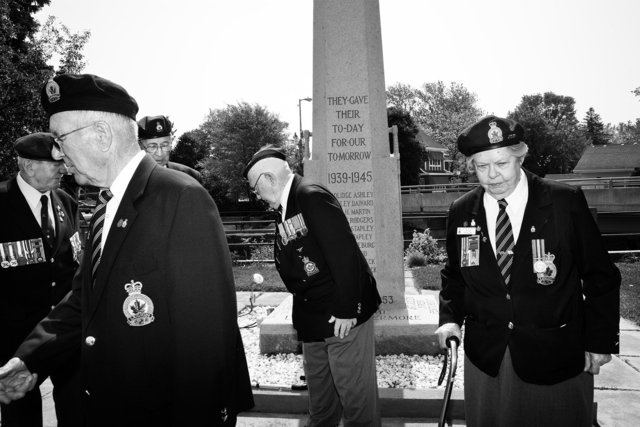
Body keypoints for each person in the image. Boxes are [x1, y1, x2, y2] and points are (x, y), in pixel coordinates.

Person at [0, 74, 253, 426]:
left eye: (60, 139)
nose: (58, 153)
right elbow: (82, 302)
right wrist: (29, 360)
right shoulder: (106, 208)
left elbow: (204, 342)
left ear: (101, 135)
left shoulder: (179, 198)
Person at [435, 115, 621, 426]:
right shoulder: (462, 211)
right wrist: (449, 319)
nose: (493, 175)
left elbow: (600, 276)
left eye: (502, 163)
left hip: (555, 354)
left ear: (520, 157)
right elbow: (454, 275)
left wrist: (599, 341)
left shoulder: (564, 202)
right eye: (482, 166)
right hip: (488, 358)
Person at [242, 145, 382, 427]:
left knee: (356, 404)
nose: (256, 196)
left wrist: (346, 310)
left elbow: (345, 254)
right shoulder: (287, 204)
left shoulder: (310, 196)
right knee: (321, 404)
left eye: (255, 189)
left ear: (267, 179)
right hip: (314, 318)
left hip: (341, 316)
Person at [0, 133, 83, 427]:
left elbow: (77, 263)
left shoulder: (66, 202)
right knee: (20, 416)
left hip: (64, 334)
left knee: (78, 408)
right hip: (15, 339)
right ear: (28, 166)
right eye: (55, 164)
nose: (64, 169)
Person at [137, 115, 203, 182]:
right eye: (152, 146)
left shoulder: (191, 177)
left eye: (165, 145)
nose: (160, 154)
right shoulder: (129, 179)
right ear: (140, 147)